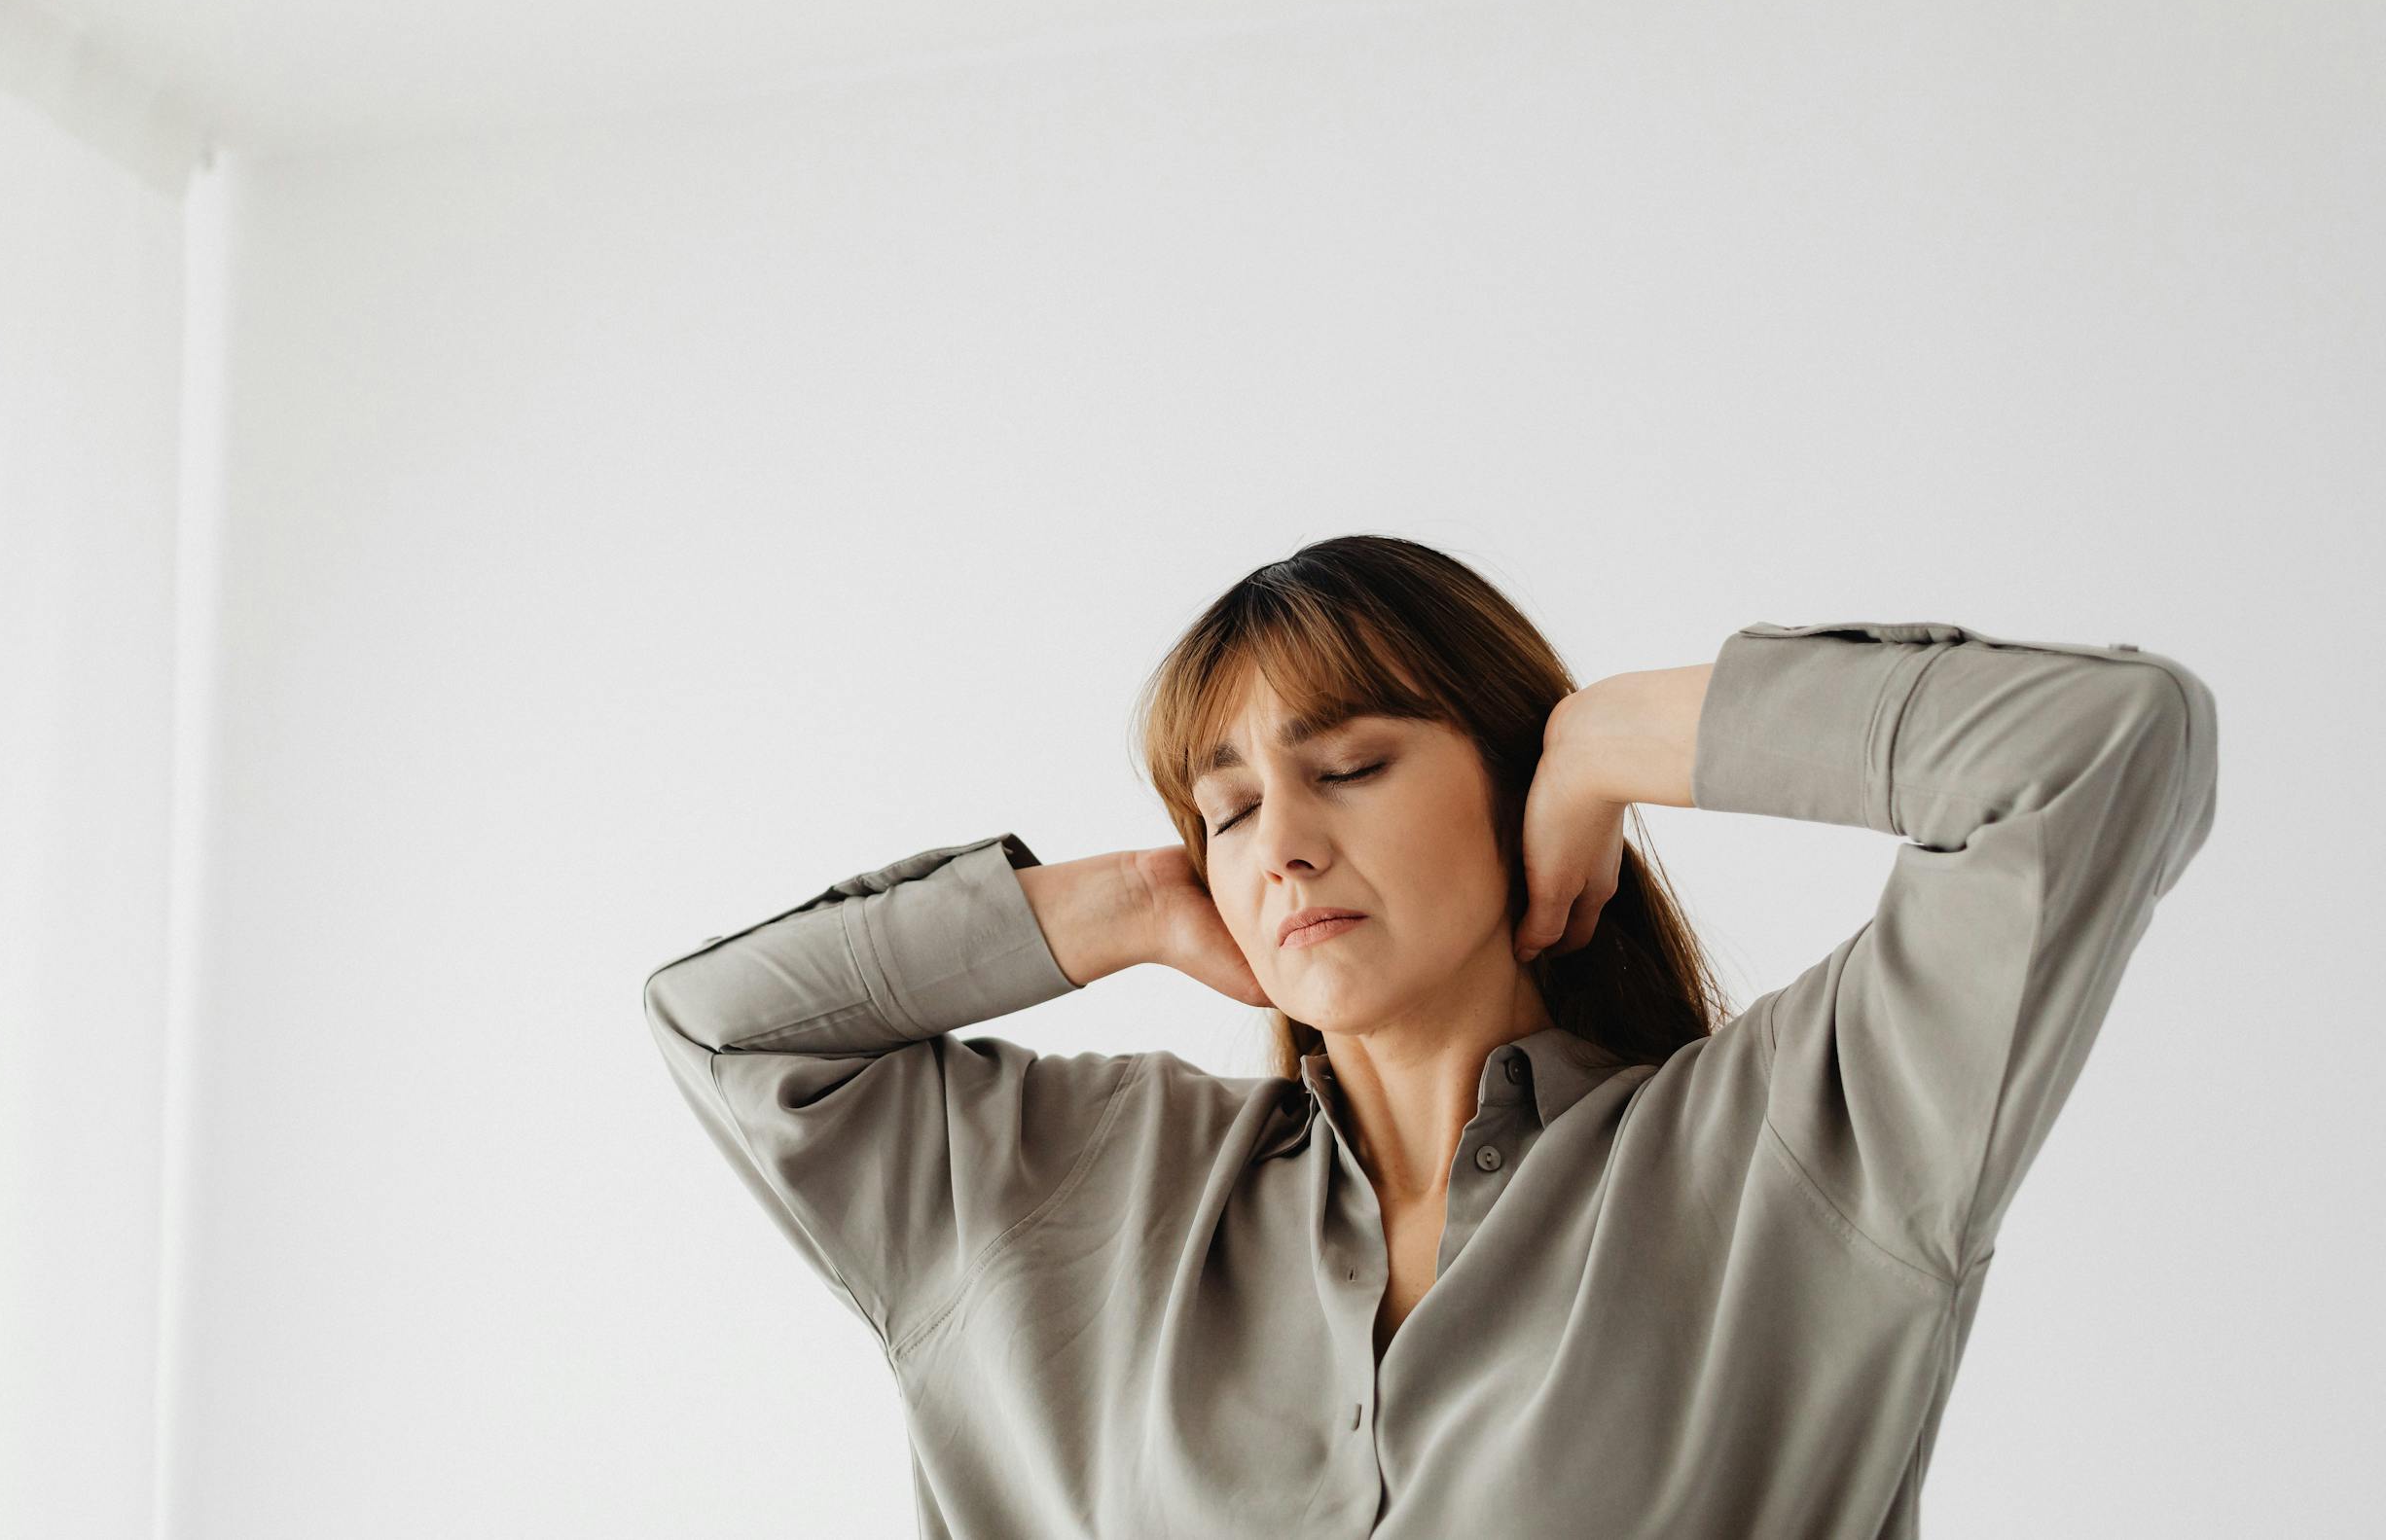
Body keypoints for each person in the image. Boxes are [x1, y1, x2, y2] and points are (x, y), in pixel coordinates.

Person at [642, 533, 2218, 1539]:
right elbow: (729, 1031)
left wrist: (1613, 737)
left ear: (1505, 778)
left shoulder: (1800, 1152)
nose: (1282, 849)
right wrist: (1112, 905)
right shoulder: (1076, 1195)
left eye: (1353, 765)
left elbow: (2099, 750)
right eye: (1231, 807)